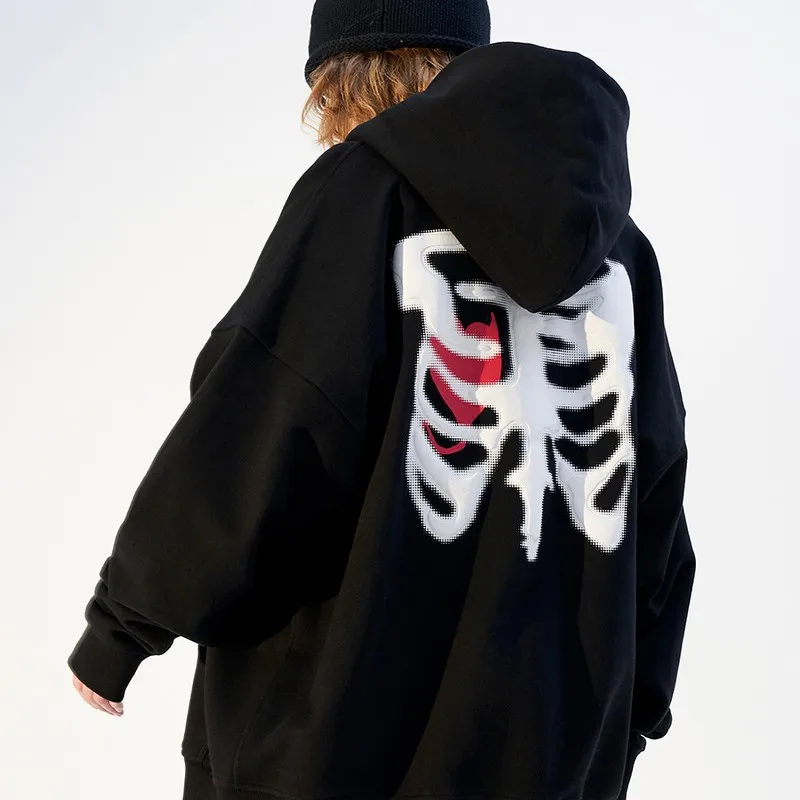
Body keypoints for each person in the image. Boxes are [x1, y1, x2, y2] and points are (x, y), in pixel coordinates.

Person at [68, 2, 696, 799]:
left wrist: (122, 627)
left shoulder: (363, 192)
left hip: (329, 752)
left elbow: (264, 425)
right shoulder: (623, 254)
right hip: (552, 761)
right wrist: (634, 709)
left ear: (340, 78)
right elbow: (656, 493)